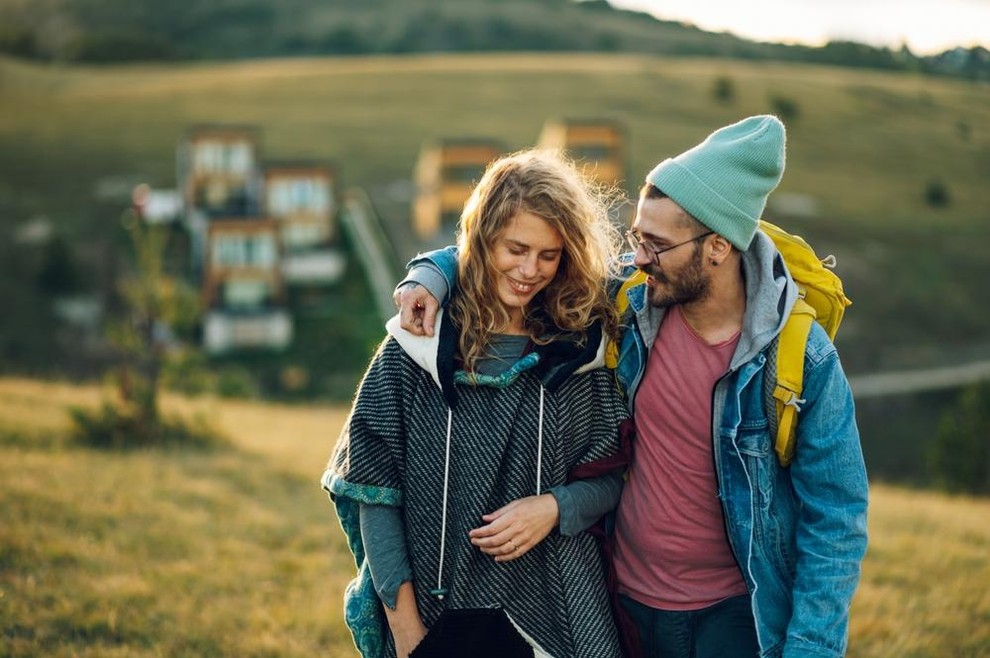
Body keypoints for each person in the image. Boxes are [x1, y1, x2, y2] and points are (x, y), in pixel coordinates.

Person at [395, 115, 870, 658]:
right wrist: (429, 274)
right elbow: (517, 251)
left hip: (736, 615)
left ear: (717, 247)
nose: (639, 258)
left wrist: (811, 650)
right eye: (638, 239)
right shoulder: (632, 306)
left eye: (657, 245)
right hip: (625, 603)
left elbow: (836, 522)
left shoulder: (800, 360)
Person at [323, 149, 631, 658]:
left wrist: (557, 507)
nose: (530, 270)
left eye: (549, 255)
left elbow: (616, 476)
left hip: (558, 614)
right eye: (516, 248)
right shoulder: (414, 349)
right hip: (434, 614)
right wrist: (407, 635)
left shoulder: (579, 351)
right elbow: (373, 492)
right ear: (483, 237)